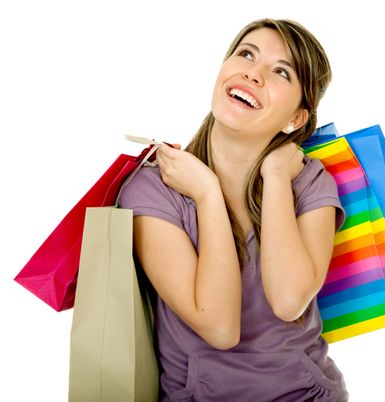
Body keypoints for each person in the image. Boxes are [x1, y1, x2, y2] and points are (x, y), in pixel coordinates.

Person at [119, 18, 349, 402]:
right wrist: (208, 194)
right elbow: (219, 328)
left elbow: (289, 300)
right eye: (246, 54)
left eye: (280, 72)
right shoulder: (153, 188)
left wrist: (275, 177)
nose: (253, 74)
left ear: (296, 119)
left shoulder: (308, 182)